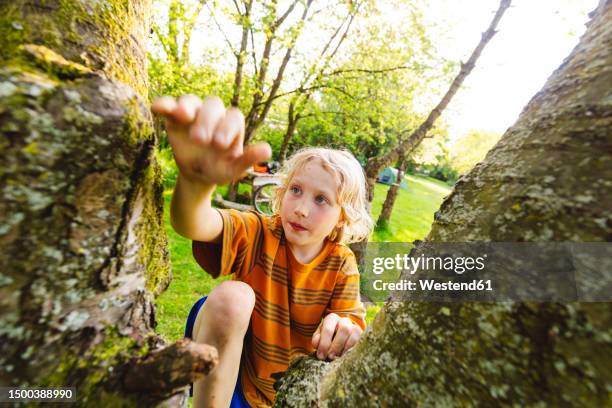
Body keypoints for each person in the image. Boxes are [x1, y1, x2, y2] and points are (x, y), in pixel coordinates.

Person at [152, 95, 374, 408]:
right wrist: (195, 185)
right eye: (295, 190)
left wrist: (343, 326)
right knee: (232, 297)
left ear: (343, 216)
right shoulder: (260, 232)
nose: (301, 209)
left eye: (321, 199)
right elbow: (195, 224)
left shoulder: (342, 264)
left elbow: (349, 321)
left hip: (288, 396)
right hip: (234, 384)